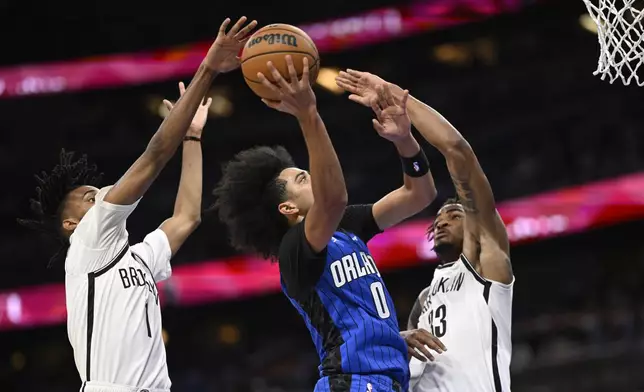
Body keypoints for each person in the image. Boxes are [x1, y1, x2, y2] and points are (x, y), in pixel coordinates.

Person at [17, 17, 257, 392]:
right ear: (71, 225)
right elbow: (156, 153)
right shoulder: (86, 244)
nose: (98, 195)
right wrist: (208, 68)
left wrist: (193, 137)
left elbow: (186, 217)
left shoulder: (138, 258)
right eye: (87, 197)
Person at [213, 56, 437, 392]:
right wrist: (308, 114)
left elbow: (420, 193)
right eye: (303, 178)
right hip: (351, 383)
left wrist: (405, 140)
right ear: (287, 207)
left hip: (382, 381)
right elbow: (334, 198)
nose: (314, 177)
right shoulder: (296, 251)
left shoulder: (345, 225)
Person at [336, 70, 514, 392]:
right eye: (439, 218)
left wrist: (390, 92)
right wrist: (397, 340)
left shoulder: (487, 261)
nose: (443, 221)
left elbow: (458, 152)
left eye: (455, 215)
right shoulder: (423, 301)